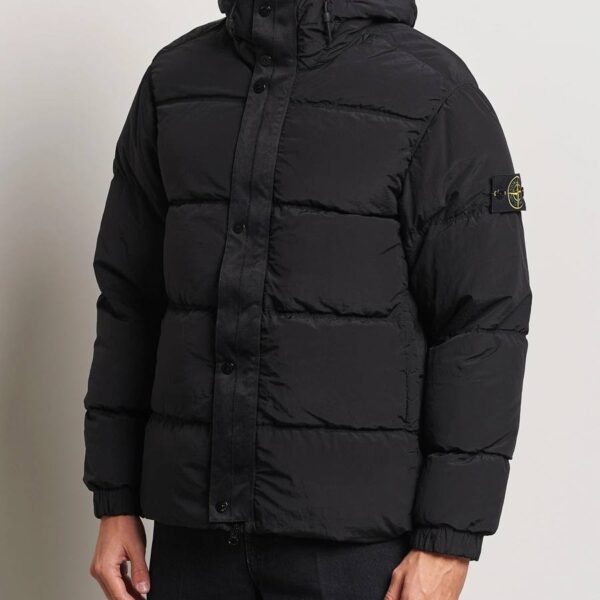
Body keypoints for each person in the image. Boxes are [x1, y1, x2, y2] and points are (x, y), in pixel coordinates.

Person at [83, 1, 532, 598]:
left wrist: (448, 539)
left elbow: (481, 324)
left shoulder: (432, 92)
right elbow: (129, 302)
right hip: (194, 537)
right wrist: (115, 498)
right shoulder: (175, 81)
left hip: (358, 551)